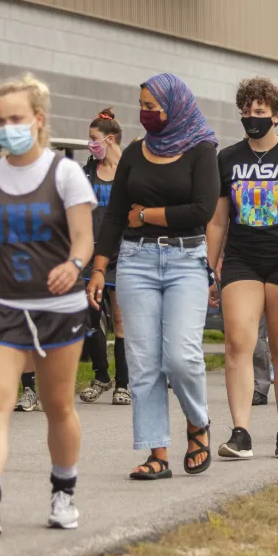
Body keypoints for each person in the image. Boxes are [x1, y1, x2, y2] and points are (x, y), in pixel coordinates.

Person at [0, 72, 93, 537]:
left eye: (16, 118)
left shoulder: (64, 172)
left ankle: (63, 491)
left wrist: (73, 263)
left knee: (58, 406)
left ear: (38, 119)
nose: (7, 127)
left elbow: (85, 237)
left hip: (57, 307)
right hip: (0, 304)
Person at [89, 73, 218, 478]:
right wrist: (98, 267)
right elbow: (114, 216)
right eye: (142, 106)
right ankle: (156, 452)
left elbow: (203, 210)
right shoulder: (133, 152)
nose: (145, 114)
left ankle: (197, 424)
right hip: (135, 261)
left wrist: (147, 215)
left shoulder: (202, 150)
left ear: (174, 106)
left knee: (181, 357)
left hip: (185, 261)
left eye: (152, 107)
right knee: (143, 363)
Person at [206, 77, 278, 457]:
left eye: (260, 112)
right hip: (242, 261)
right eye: (247, 111)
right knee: (239, 342)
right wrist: (209, 268)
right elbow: (219, 221)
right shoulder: (228, 159)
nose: (252, 118)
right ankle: (240, 432)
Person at [78, 108, 131, 406]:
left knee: (121, 322)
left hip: (123, 255)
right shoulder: (87, 172)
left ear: (110, 139)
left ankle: (123, 384)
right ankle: (101, 376)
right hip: (91, 256)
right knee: (90, 318)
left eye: (94, 139)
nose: (90, 144)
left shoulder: (130, 170)